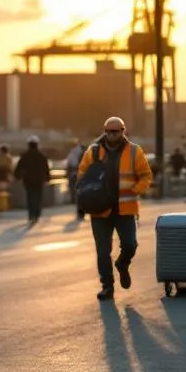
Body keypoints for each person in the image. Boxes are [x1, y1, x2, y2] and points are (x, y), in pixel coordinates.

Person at [76, 117, 153, 301]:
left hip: (124, 209)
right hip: (99, 209)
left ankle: (122, 263)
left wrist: (136, 190)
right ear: (104, 131)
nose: (112, 135)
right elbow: (81, 177)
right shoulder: (93, 152)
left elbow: (146, 176)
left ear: (123, 131)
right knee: (103, 251)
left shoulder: (134, 151)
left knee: (130, 244)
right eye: (109, 132)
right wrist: (81, 201)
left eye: (116, 131)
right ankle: (107, 287)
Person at [13, 136, 50, 225]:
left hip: (28, 180)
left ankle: (31, 215)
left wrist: (17, 176)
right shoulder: (41, 155)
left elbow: (19, 167)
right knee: (38, 197)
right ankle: (36, 215)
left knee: (30, 197)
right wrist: (48, 178)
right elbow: (46, 168)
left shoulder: (24, 155)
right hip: (39, 179)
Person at [65, 138, 85, 218]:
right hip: (80, 174)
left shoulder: (72, 152)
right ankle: (80, 211)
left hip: (74, 174)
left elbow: (69, 164)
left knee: (76, 193)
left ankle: (79, 211)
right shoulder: (82, 152)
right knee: (80, 193)